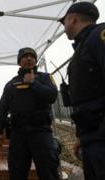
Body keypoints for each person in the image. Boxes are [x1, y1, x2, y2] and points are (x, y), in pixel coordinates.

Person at [0, 47, 59, 180]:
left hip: (41, 132)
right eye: (25, 56)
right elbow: (2, 109)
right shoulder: (11, 84)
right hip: (18, 134)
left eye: (32, 56)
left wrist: (33, 82)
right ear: (19, 62)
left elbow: (52, 96)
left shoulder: (45, 78)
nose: (29, 58)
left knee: (49, 172)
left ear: (35, 61)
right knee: (17, 173)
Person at [58, 2, 105, 180]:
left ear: (73, 18)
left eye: (64, 23)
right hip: (91, 136)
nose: (64, 28)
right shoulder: (81, 48)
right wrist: (80, 136)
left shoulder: (99, 36)